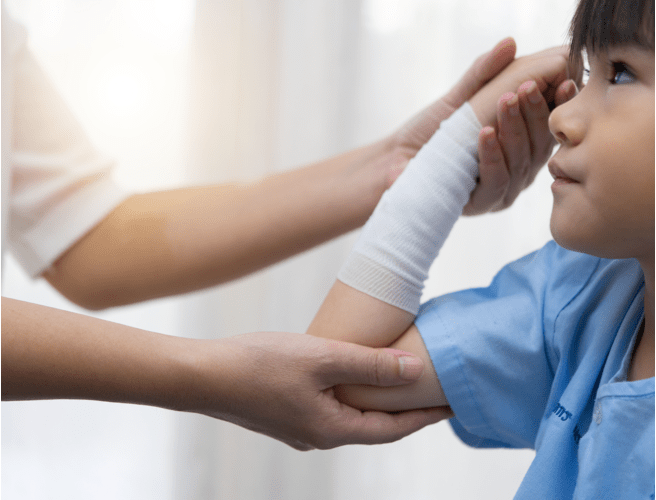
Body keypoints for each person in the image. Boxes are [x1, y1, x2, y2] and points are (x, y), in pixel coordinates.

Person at [0, 4, 577, 451]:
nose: (568, 115)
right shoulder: (563, 305)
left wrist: (403, 167)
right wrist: (445, 159)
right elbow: (346, 372)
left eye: (621, 74)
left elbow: (89, 240)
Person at [308, 0, 654, 496]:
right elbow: (335, 373)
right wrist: (457, 143)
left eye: (619, 74)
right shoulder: (583, 294)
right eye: (584, 73)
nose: (563, 118)